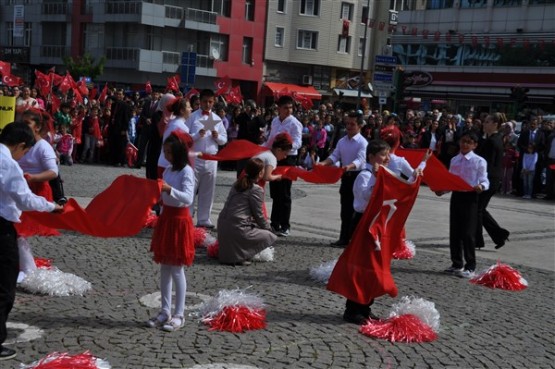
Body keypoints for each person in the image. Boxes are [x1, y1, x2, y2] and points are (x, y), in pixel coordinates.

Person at [0, 122, 63, 361]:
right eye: (24, 152)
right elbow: (25, 200)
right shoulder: (8, 164)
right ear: (20, 146)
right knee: (4, 287)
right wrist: (52, 206)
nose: (23, 156)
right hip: (2, 228)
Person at [147, 131, 195, 332]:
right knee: (165, 267)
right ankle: (165, 310)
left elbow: (188, 198)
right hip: (167, 219)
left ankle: (179, 314)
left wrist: (168, 190)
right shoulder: (168, 170)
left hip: (180, 220)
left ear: (178, 152)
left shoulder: (186, 171)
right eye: (164, 151)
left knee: (176, 268)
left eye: (169, 151)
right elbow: (163, 195)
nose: (165, 155)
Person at [342, 139, 391, 324]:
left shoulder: (385, 173)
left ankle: (365, 307)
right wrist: (379, 179)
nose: (387, 158)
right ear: (371, 157)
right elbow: (365, 196)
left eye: (388, 154)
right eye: (383, 155)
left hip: (376, 224)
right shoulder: (364, 175)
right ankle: (352, 309)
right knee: (360, 267)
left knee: (371, 268)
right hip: (363, 222)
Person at [436, 132, 489, 279]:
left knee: (468, 233)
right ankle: (456, 263)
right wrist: (443, 190)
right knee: (455, 231)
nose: (465, 144)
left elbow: (485, 179)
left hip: (471, 196)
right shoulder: (455, 160)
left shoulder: (479, 161)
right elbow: (451, 180)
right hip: (457, 196)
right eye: (463, 141)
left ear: (474, 145)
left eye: (469, 142)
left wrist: (482, 186)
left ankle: (470, 265)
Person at [16, 109, 61, 281]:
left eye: (27, 123)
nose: (23, 126)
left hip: (36, 191)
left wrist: (32, 177)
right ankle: (21, 265)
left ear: (37, 127)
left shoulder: (43, 147)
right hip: (19, 189)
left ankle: (28, 269)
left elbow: (53, 172)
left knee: (16, 229)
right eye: (22, 122)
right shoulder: (20, 143)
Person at [318, 111, 368, 247]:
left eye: (352, 124)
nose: (349, 127)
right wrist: (323, 163)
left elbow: (361, 160)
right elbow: (334, 156)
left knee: (357, 209)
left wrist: (349, 166)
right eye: (347, 124)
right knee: (345, 209)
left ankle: (355, 240)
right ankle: (344, 238)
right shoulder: (342, 140)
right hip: (346, 177)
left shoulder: (363, 142)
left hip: (358, 177)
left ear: (359, 126)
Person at [218, 158, 278, 266]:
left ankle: (237, 253)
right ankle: (242, 255)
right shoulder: (256, 189)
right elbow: (258, 215)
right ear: (260, 173)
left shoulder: (236, 184)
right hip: (237, 228)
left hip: (223, 224)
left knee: (253, 228)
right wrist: (269, 228)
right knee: (270, 236)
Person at [187, 89, 228, 228]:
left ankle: (204, 219)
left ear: (214, 101)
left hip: (211, 159)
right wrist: (197, 135)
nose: (207, 104)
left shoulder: (216, 119)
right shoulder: (193, 117)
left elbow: (224, 139)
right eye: (205, 101)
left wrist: (218, 137)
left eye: (210, 101)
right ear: (200, 101)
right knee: (191, 187)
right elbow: (185, 137)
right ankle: (187, 215)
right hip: (195, 158)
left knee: (208, 190)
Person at [264, 95, 303, 237]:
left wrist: (286, 146)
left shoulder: (294, 123)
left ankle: (285, 225)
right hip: (275, 157)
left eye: (290, 108)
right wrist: (261, 148)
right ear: (279, 108)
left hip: (288, 158)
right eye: (285, 108)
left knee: (285, 192)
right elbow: (270, 139)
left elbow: (298, 142)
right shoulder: (275, 121)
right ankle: (275, 223)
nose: (288, 110)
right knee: (275, 191)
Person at [475, 113, 510, 250]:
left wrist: (480, 180)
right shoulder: (496, 139)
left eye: (487, 122)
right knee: (480, 209)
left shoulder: (492, 141)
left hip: (488, 179)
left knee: (477, 210)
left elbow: (485, 164)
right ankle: (499, 235)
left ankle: (477, 240)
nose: (484, 124)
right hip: (493, 179)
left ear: (495, 124)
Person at [157, 97, 193, 176]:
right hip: (171, 164)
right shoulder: (181, 126)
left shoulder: (171, 122)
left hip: (163, 161)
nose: (191, 109)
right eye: (189, 107)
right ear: (182, 110)